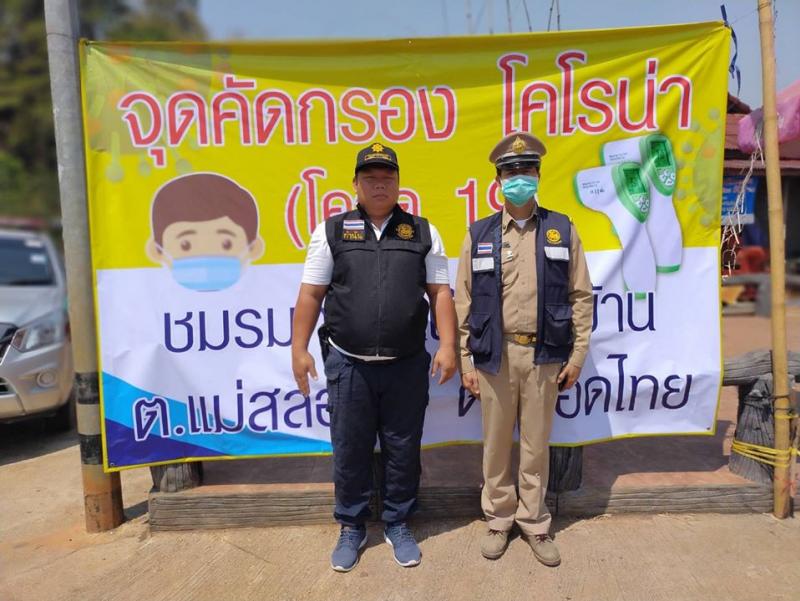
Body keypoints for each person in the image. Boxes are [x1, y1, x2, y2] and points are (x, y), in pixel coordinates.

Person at [291, 142, 457, 572]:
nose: (379, 185)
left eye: (387, 177)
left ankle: (398, 522)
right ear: (355, 184)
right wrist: (298, 349)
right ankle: (352, 525)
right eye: (370, 178)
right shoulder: (331, 231)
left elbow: (440, 293)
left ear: (399, 183)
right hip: (348, 364)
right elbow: (311, 294)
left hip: (406, 364)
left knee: (403, 447)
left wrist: (448, 345)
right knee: (350, 448)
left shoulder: (422, 231)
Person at [454, 132, 593, 567]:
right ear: (498, 180)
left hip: (544, 357)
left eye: (526, 170)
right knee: (496, 446)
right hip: (494, 356)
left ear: (538, 175)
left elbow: (581, 295)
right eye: (511, 171)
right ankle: (498, 519)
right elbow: (463, 300)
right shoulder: (479, 233)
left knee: (536, 446)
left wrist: (578, 355)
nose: (519, 178)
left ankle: (534, 522)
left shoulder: (561, 229)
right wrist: (465, 360)